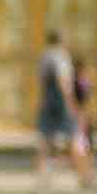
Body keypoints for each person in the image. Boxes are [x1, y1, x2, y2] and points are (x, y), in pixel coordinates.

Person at [35, 33, 89, 184]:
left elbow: (42, 82)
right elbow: (62, 80)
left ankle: (42, 175)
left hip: (48, 101)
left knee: (45, 139)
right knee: (74, 135)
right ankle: (82, 175)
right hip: (60, 102)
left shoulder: (44, 56)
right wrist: (70, 102)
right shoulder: (60, 56)